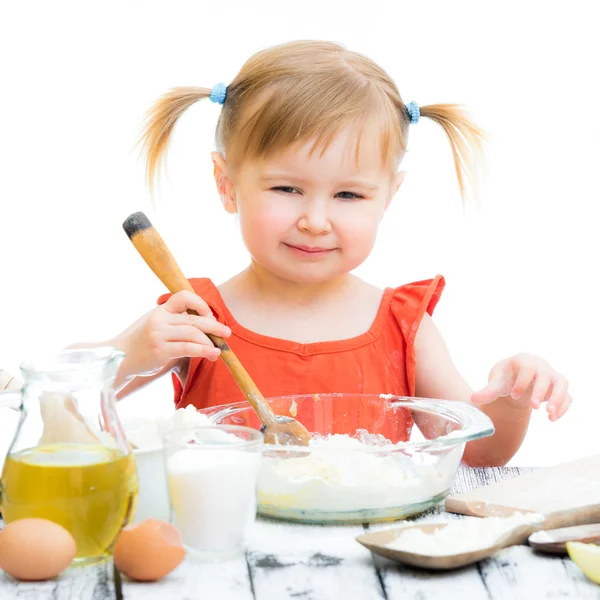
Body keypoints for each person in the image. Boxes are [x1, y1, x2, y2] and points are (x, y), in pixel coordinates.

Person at [78, 40, 571, 466]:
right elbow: (59, 400)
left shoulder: (403, 326)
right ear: (226, 184)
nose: (315, 220)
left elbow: (480, 452)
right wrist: (131, 351)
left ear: (389, 197)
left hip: (373, 558)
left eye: (348, 196)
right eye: (287, 188)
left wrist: (512, 397)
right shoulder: (199, 318)